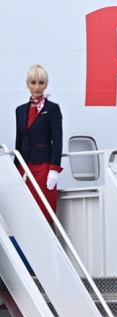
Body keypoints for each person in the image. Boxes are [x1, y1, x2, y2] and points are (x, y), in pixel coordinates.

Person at [15, 64, 63, 222]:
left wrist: (54, 169)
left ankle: (51, 237)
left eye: (41, 83)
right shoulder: (20, 110)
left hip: (43, 168)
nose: (37, 87)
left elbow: (57, 140)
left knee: (45, 212)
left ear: (46, 85)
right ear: (27, 84)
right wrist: (15, 168)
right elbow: (19, 142)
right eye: (33, 82)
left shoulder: (52, 109)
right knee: (25, 212)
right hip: (24, 168)